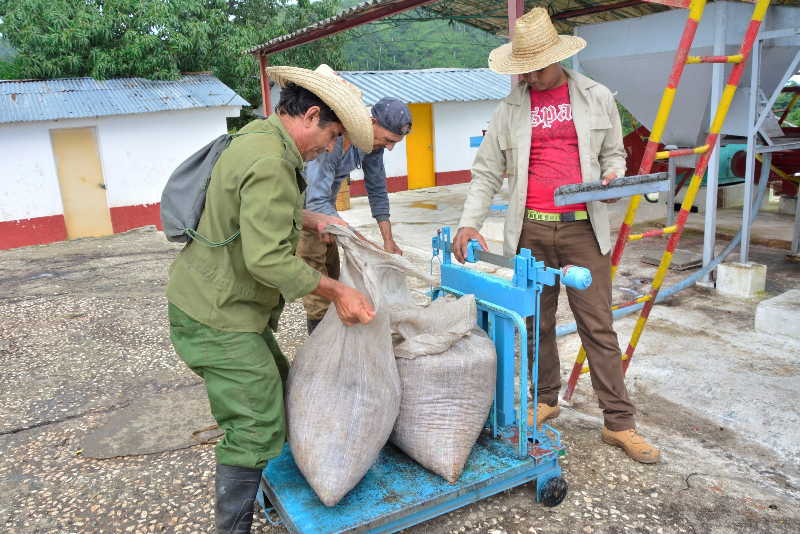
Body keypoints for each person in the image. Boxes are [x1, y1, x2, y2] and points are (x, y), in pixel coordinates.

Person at [166, 65, 377, 533]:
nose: (331, 147)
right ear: (312, 115)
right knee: (257, 421)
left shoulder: (258, 136)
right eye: (333, 135)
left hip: (221, 301)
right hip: (216, 314)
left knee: (281, 385)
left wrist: (310, 219)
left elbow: (250, 206)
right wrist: (338, 290)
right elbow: (267, 261)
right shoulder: (272, 161)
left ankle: (267, 480)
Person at [453, 8, 659, 464]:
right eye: (523, 69)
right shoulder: (509, 108)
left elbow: (614, 155)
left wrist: (611, 172)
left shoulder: (595, 96)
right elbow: (487, 171)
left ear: (556, 58)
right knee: (535, 323)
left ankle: (619, 424)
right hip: (529, 230)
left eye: (538, 68)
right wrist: (471, 221)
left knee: (597, 326)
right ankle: (545, 399)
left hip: (583, 229)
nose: (530, 76)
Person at [300, 93, 412, 333]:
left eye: (396, 143)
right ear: (372, 123)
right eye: (389, 139)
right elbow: (315, 200)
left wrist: (387, 240)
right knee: (318, 291)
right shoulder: (332, 141)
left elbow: (377, 188)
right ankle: (319, 352)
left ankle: (336, 338)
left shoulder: (372, 144)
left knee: (335, 276)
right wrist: (363, 242)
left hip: (328, 214)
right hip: (303, 215)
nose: (390, 147)